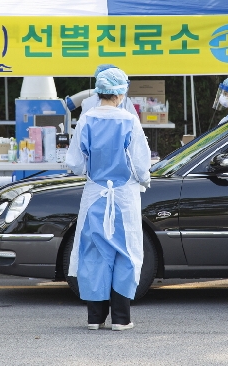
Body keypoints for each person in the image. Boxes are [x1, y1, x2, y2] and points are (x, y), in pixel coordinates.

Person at [66, 66, 151, 331]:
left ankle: (94, 318)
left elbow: (76, 164)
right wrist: (145, 180)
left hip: (94, 195)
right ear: (121, 92)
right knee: (126, 253)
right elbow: (139, 164)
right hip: (124, 196)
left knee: (94, 253)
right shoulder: (129, 119)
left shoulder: (87, 118)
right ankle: (121, 319)